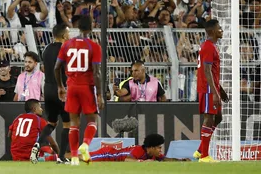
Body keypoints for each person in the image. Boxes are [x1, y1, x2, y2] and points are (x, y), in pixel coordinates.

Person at [55, 16, 104, 166]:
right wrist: (100, 94)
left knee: (73, 123)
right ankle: (86, 145)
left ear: (77, 27)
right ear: (91, 27)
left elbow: (57, 67)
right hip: (86, 87)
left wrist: (60, 86)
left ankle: (75, 157)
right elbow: (96, 73)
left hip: (71, 87)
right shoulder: (94, 46)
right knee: (92, 120)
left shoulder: (67, 44)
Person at [32, 23, 71, 164]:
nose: (69, 34)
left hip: (48, 90)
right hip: (62, 90)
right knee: (67, 124)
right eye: (68, 32)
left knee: (52, 123)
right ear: (63, 35)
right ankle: (61, 157)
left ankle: (38, 143)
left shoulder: (47, 49)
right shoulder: (66, 49)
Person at [194, 19, 229, 162]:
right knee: (209, 118)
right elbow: (207, 71)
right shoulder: (208, 47)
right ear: (213, 31)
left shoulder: (211, 46)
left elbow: (212, 72)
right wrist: (214, 92)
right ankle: (204, 156)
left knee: (218, 117)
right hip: (208, 88)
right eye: (219, 28)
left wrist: (220, 90)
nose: (221, 30)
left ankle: (200, 150)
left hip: (212, 87)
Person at [83, 134, 190, 162]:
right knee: (84, 158)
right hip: (107, 155)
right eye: (158, 148)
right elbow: (127, 160)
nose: (160, 150)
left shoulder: (153, 154)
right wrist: (143, 162)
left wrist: (181, 160)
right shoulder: (139, 150)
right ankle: (68, 156)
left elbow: (165, 159)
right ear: (151, 148)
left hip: (110, 156)